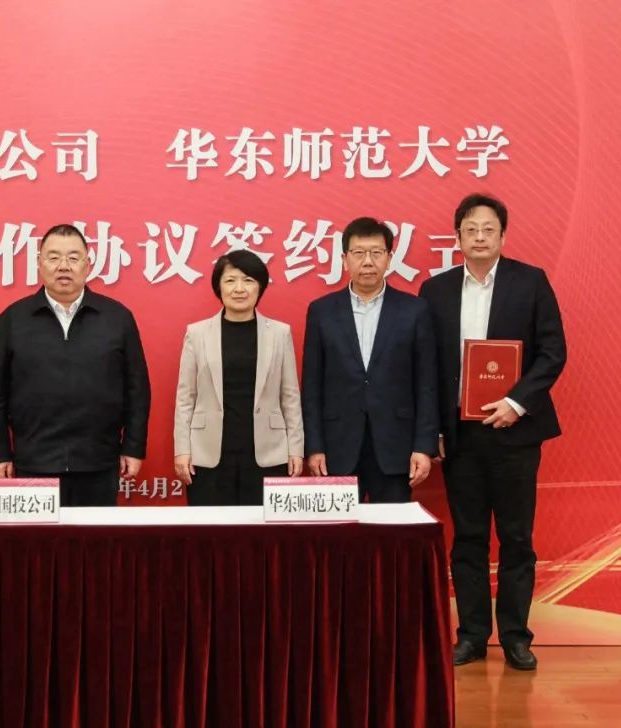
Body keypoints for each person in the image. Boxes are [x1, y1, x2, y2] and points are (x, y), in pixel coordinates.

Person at [419, 193, 566, 670]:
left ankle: (517, 637)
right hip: (461, 434)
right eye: (471, 229)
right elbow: (427, 367)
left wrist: (516, 403)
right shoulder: (435, 290)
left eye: (488, 229)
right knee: (468, 538)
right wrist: (433, 429)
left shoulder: (531, 281)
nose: (479, 237)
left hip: (515, 431)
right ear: (457, 236)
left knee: (517, 538)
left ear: (503, 235)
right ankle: (472, 635)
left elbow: (552, 352)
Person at [0, 223, 151, 506]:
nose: (64, 266)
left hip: (99, 460)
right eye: (54, 257)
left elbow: (137, 389)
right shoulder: (13, 319)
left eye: (73, 258)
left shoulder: (117, 318)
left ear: (88, 264)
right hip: (34, 461)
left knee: (95, 535)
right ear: (39, 263)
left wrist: (133, 447)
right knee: (38, 537)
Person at [301, 216, 439, 503]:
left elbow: (426, 384)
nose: (367, 261)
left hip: (396, 447)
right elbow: (312, 386)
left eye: (376, 253)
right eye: (359, 253)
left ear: (389, 258)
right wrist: (314, 447)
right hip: (337, 448)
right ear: (344, 259)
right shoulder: (322, 311)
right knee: (340, 531)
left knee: (391, 530)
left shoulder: (414, 310)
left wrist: (423, 446)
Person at [173, 250, 304, 504]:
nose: (239, 289)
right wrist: (182, 450)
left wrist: (296, 449)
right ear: (219, 287)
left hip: (268, 452)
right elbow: (185, 397)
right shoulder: (197, 333)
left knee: (261, 527)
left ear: (260, 287)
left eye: (248, 280)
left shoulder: (280, 333)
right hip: (208, 452)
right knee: (211, 526)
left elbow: (289, 396)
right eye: (230, 280)